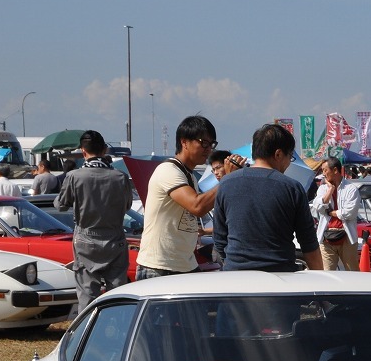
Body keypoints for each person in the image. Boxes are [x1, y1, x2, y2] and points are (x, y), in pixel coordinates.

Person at [213, 122, 320, 272]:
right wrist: (320, 280)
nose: (289, 162)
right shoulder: (292, 188)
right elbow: (308, 243)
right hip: (280, 277)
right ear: (278, 154)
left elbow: (219, 239)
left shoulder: (226, 184)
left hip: (236, 278)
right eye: (290, 157)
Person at [54, 130, 134, 310]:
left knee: (87, 296)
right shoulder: (120, 177)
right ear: (105, 150)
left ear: (83, 151)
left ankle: (88, 334)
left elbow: (61, 206)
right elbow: (127, 205)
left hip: (85, 240)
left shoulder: (74, 176)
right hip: (115, 240)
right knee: (118, 296)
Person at [136, 115, 219, 279]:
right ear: (184, 142)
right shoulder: (168, 170)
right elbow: (197, 206)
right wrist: (228, 180)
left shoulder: (189, 176)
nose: (208, 148)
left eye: (211, 144)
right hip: (159, 267)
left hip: (184, 265)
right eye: (203, 142)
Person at [309, 156, 361, 271]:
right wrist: (330, 190)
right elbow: (318, 207)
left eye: (325, 170)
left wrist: (331, 213)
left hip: (347, 236)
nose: (323, 174)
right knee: (326, 273)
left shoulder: (351, 189)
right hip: (326, 237)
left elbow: (349, 213)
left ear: (335, 170)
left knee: (352, 272)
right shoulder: (323, 188)